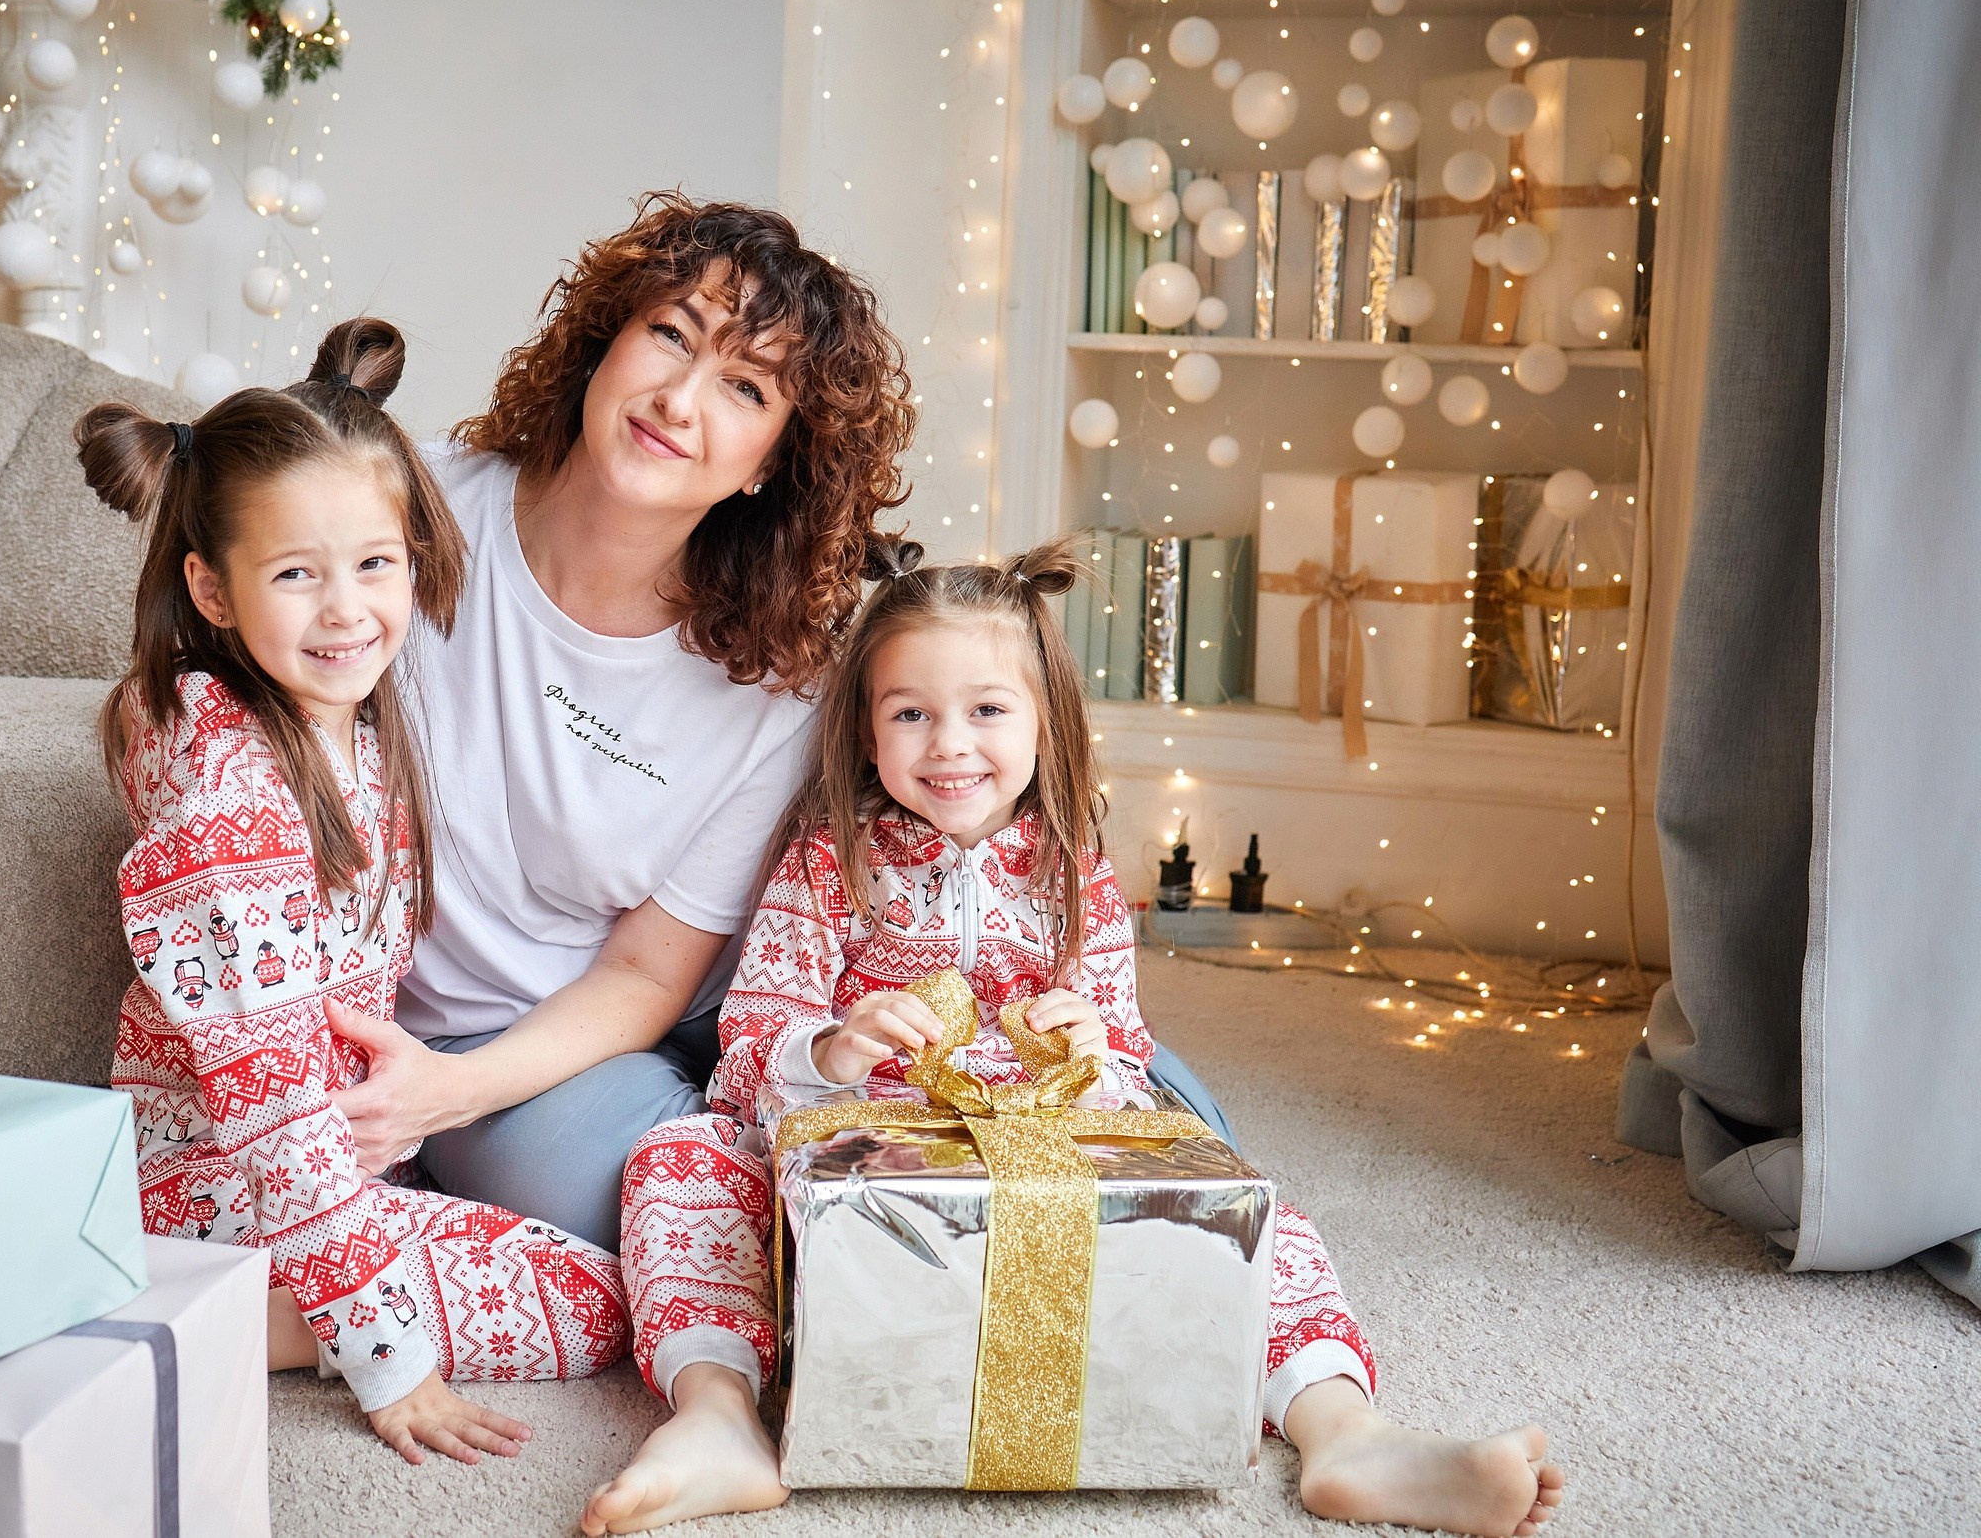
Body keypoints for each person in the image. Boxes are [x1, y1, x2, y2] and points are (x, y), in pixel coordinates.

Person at [582, 538, 1566, 1538]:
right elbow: (752, 1036)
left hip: (1047, 1150)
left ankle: (1344, 1435)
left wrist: (1090, 1042)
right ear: (865, 729)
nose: (948, 744)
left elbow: (1127, 1054)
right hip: (863, 1150)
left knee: (1248, 1203)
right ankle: (717, 1421)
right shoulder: (830, 862)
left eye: (987, 711)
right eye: (909, 713)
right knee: (676, 1162)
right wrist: (832, 1045)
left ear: (1046, 723)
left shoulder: (1075, 875)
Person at [321, 194, 1237, 1262]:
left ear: (767, 459)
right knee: (728, 1228)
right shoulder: (409, 513)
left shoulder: (783, 668)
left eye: (744, 387)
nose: (678, 399)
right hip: (518, 1042)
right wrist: (446, 1087)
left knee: (1173, 1155)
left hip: (760, 999)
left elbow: (651, 973)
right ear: (601, 339)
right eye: (669, 334)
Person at [76, 318, 626, 1469]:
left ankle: (267, 1288)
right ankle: (204, 1314)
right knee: (590, 1305)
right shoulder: (222, 787)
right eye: (294, 574)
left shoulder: (353, 720)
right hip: (214, 1186)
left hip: (330, 1166)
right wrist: (386, 1354)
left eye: (374, 564)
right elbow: (272, 1105)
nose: (345, 610)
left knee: (595, 1267)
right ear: (212, 592)